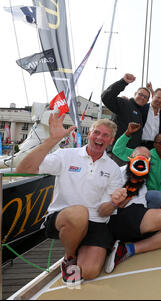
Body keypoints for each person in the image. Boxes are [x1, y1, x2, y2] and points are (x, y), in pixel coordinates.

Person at [16, 115, 123, 287]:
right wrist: (53, 139)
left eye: (105, 135)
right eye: (97, 132)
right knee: (79, 213)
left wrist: (114, 203)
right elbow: (24, 169)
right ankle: (70, 256)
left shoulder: (113, 169)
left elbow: (104, 212)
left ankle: (82, 246)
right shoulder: (66, 156)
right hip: (64, 218)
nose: (100, 138)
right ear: (89, 135)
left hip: (96, 222)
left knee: (88, 272)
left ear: (111, 140)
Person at [112, 122, 161, 216]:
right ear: (155, 144)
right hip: (140, 193)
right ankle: (147, 218)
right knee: (159, 198)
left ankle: (154, 216)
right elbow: (118, 150)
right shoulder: (144, 155)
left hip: (158, 194)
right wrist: (128, 133)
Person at [101, 73, 152, 163]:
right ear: (135, 94)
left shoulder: (141, 112)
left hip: (130, 157)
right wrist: (123, 82)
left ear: (147, 101)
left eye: (145, 97)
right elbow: (106, 97)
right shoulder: (124, 103)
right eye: (140, 94)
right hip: (117, 154)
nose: (142, 98)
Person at [140, 85, 161, 150]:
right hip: (139, 144)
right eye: (158, 97)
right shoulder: (141, 108)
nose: (159, 101)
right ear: (153, 96)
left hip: (155, 148)